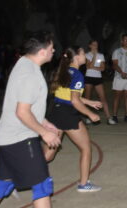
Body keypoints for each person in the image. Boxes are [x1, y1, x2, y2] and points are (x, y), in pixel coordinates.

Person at [0, 31, 60, 208]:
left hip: (8, 137)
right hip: (20, 139)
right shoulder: (29, 74)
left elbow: (27, 105)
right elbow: (22, 112)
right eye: (52, 48)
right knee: (42, 186)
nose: (53, 51)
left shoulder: (23, 63)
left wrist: (44, 122)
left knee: (2, 185)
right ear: (42, 52)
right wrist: (44, 132)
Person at [44, 47, 103, 192]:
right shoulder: (77, 74)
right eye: (83, 53)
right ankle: (84, 184)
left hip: (55, 112)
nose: (85, 56)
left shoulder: (63, 71)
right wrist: (90, 114)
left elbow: (69, 96)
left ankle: (13, 176)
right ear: (76, 57)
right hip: (68, 115)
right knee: (86, 148)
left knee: (48, 155)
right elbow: (75, 101)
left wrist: (90, 102)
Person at [84, 40, 115, 125]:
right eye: (93, 44)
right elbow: (88, 66)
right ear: (90, 46)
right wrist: (94, 55)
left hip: (98, 78)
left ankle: (109, 118)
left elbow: (102, 68)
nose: (95, 46)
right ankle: (88, 117)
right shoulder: (87, 55)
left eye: (96, 45)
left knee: (103, 98)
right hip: (89, 77)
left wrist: (93, 66)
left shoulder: (101, 55)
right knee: (87, 98)